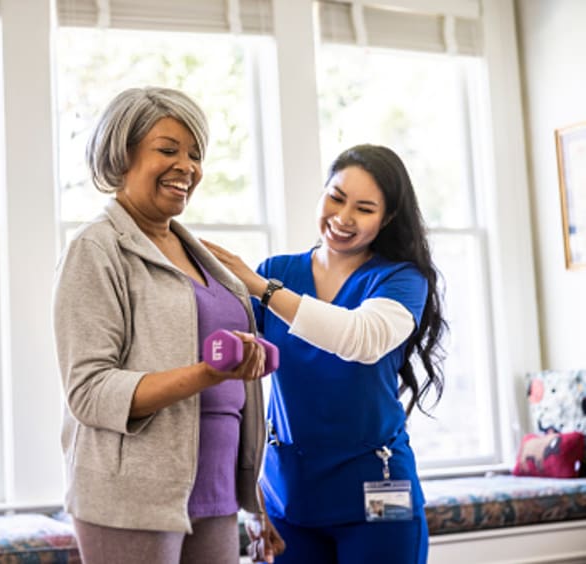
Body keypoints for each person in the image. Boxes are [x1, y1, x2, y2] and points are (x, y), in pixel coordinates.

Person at [52, 86, 284, 564]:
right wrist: (206, 373)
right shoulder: (96, 250)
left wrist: (254, 498)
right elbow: (90, 391)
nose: (188, 166)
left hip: (216, 493)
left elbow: (234, 403)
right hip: (131, 499)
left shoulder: (203, 256)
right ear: (122, 155)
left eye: (195, 154)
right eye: (168, 149)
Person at [203, 143, 448, 564]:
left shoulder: (401, 279)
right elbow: (234, 384)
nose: (343, 218)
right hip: (288, 496)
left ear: (387, 218)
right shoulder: (278, 270)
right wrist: (250, 491)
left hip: (377, 496)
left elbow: (360, 338)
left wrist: (262, 290)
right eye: (336, 197)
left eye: (364, 208)